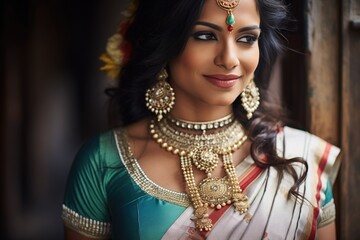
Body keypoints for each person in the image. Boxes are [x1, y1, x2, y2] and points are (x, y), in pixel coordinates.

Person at [62, 0, 341, 239]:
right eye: (206, 36)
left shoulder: (301, 162)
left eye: (247, 39)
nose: (229, 59)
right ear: (165, 42)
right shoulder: (105, 161)